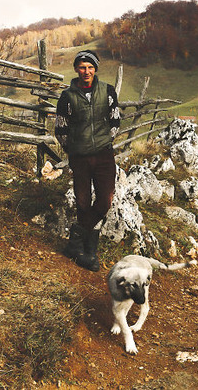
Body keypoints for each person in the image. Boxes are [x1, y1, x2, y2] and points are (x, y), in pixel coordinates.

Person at [55, 50, 121, 272]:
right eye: (82, 67)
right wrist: (73, 149)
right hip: (80, 157)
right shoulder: (67, 96)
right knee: (82, 201)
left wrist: (102, 143)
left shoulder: (107, 91)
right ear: (76, 69)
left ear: (95, 69)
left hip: (103, 155)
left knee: (105, 200)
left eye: (90, 67)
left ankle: (75, 242)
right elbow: (61, 128)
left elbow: (115, 121)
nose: (86, 71)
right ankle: (89, 250)